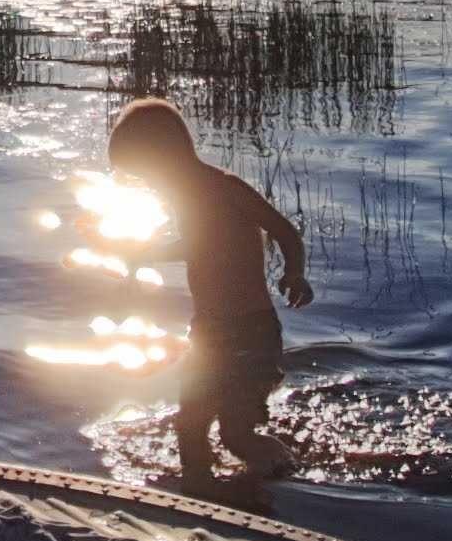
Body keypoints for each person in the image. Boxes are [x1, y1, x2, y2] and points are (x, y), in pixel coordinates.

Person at [107, 96, 310, 492]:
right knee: (189, 424)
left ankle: (288, 473)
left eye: (145, 175)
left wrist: (295, 273)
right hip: (209, 331)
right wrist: (146, 254)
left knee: (236, 435)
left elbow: (284, 231)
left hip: (252, 333)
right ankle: (197, 497)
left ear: (163, 157)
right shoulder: (186, 199)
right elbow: (201, 246)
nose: (148, 185)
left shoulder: (226, 189)